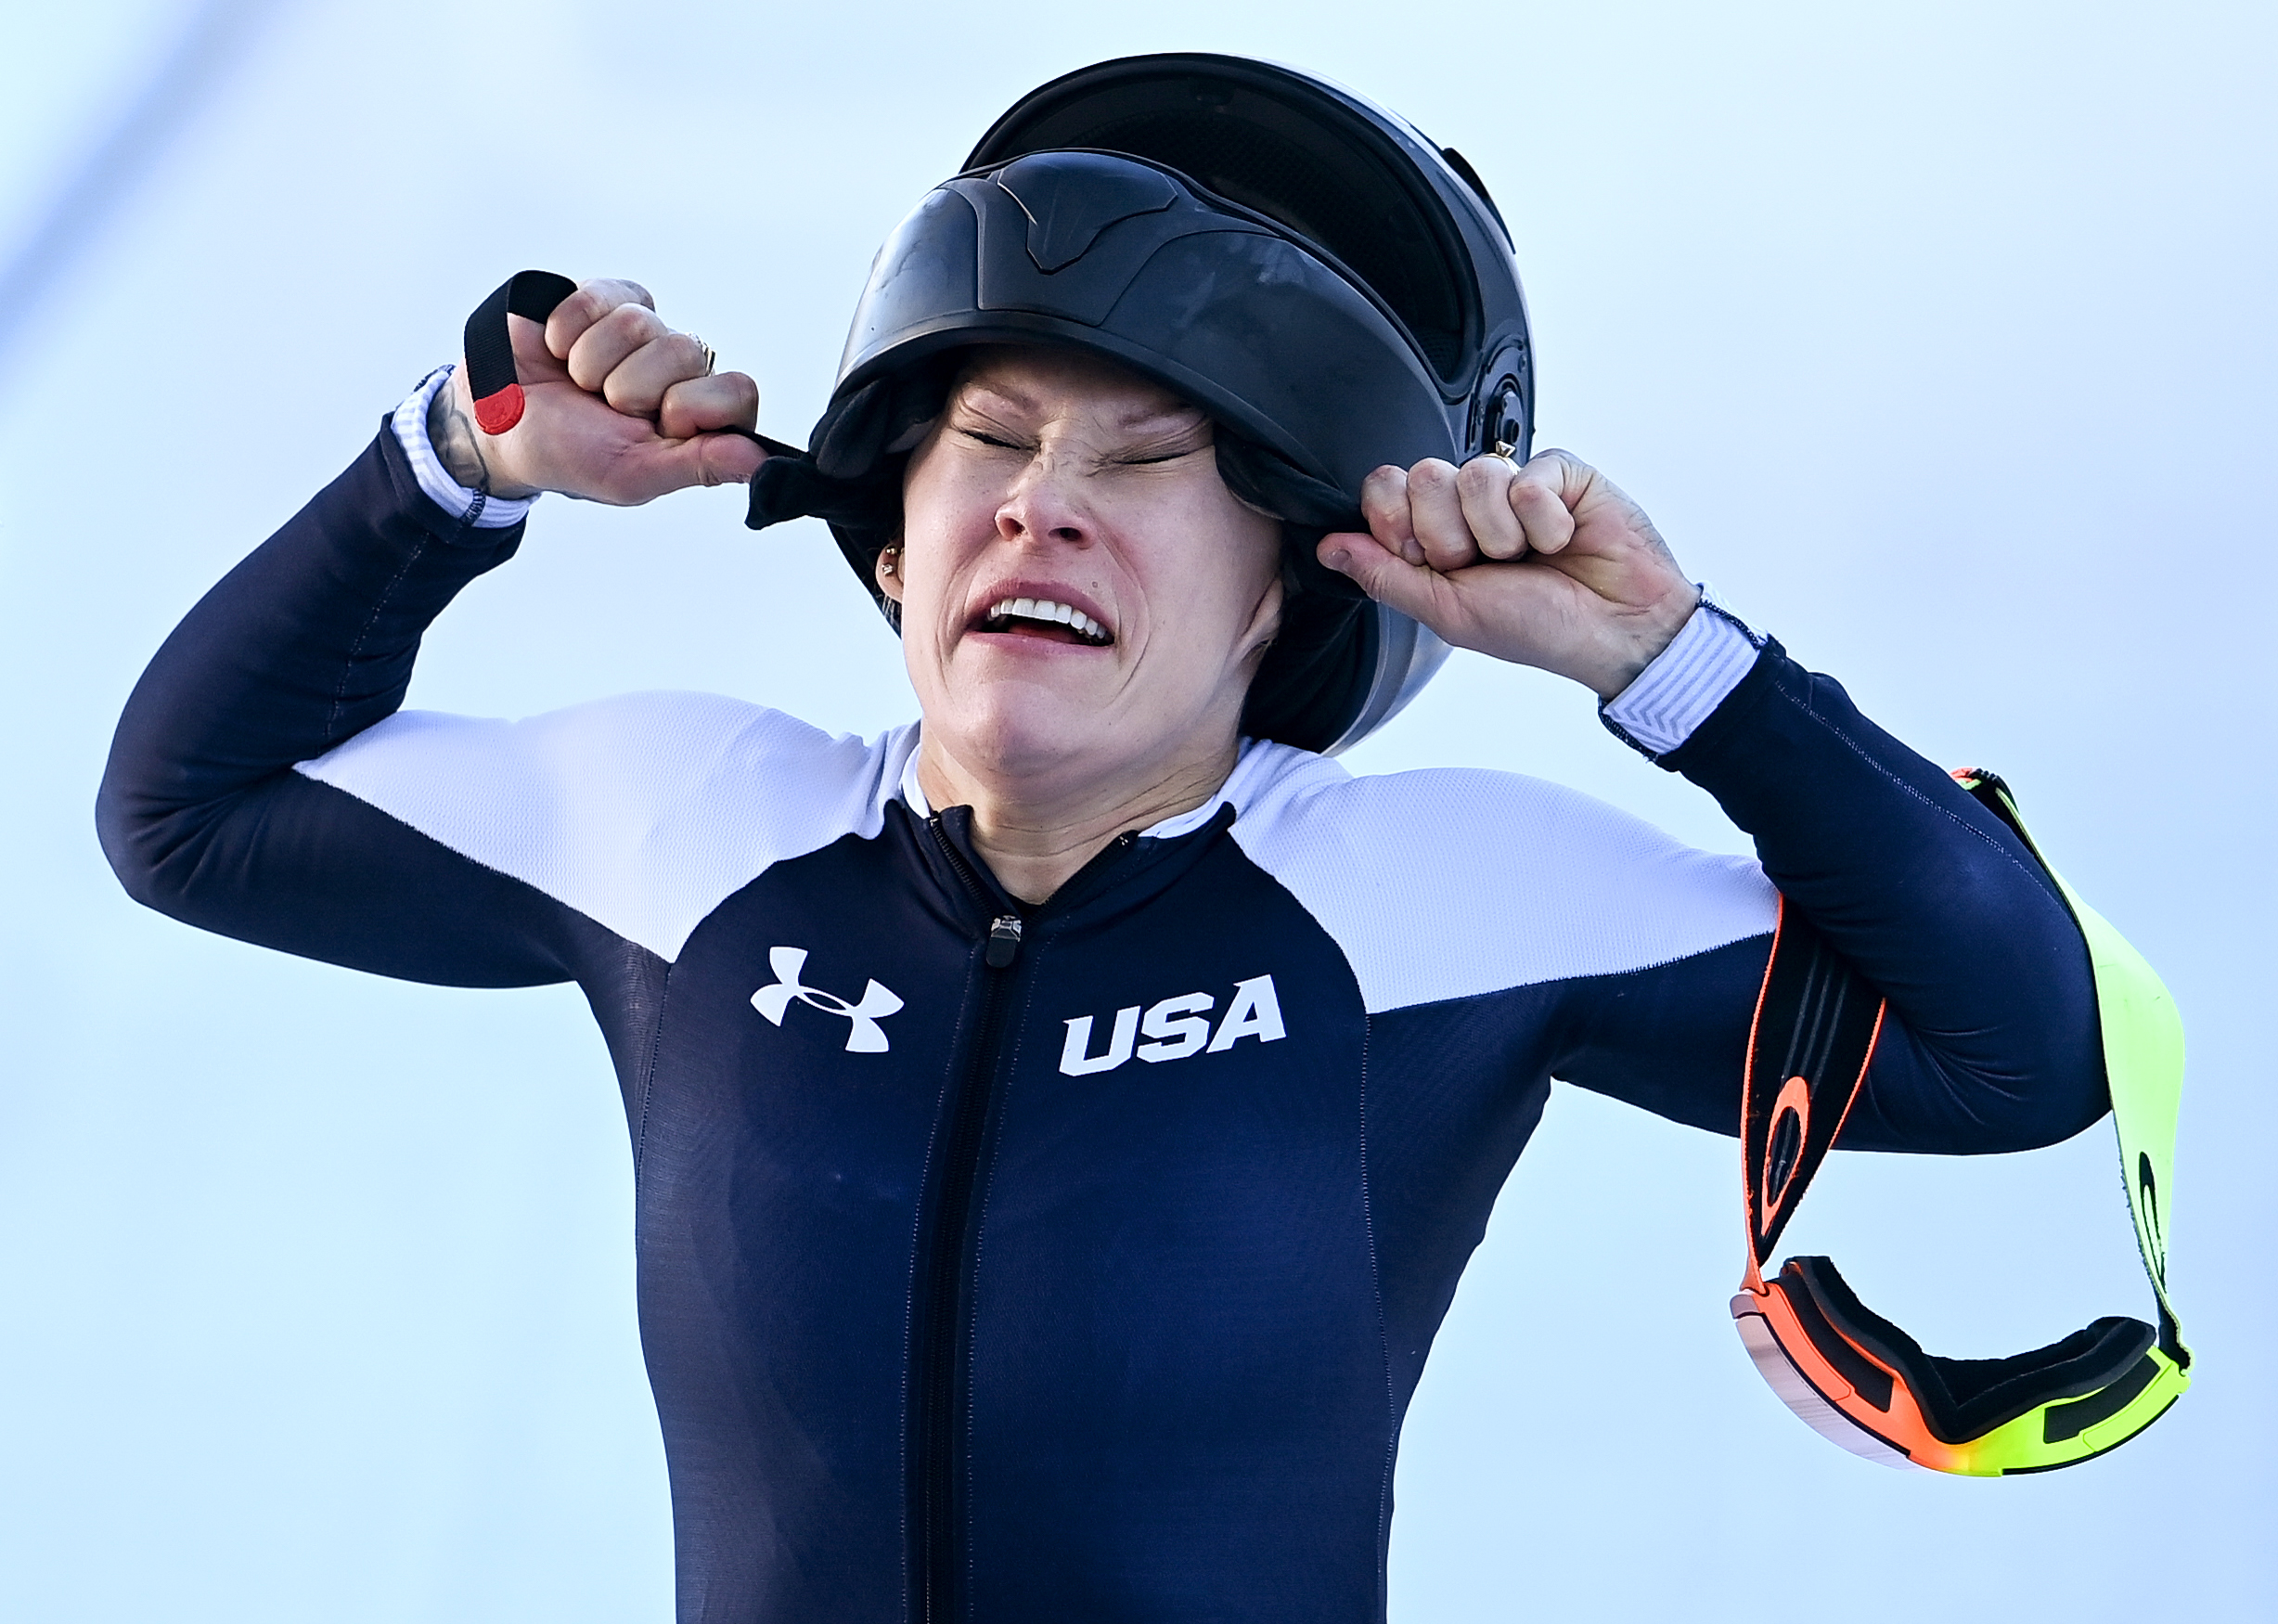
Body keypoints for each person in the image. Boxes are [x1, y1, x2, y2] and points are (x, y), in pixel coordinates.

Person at [97, 55, 2104, 1624]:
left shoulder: (1435, 905)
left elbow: (2025, 1045)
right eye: (988, 438)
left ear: (1278, 604)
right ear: (893, 549)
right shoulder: (694, 838)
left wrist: (1671, 661)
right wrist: (454, 467)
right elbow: (187, 811)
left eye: (1147, 461)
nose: (1041, 502)